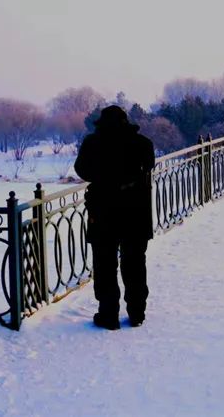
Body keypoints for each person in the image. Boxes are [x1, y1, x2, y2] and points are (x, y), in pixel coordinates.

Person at [74, 106, 156, 330]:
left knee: (104, 263)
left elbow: (81, 169)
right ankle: (137, 312)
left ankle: (109, 314)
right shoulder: (142, 143)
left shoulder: (92, 143)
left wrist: (104, 178)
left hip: (103, 210)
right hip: (135, 210)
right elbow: (149, 165)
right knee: (135, 262)